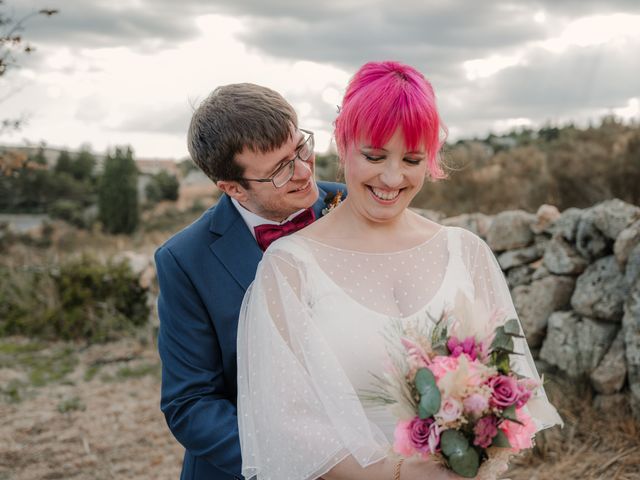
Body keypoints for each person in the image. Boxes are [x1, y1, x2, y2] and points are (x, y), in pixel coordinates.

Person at [236, 61, 563, 480]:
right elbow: (288, 424)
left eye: (411, 159)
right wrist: (400, 474)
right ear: (343, 142)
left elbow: (510, 389)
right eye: (374, 156)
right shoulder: (290, 267)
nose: (392, 178)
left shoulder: (465, 252)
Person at [155, 83, 345, 480]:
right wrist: (296, 463)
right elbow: (191, 404)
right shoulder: (184, 260)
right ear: (232, 188)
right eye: (279, 170)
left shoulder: (349, 208)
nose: (305, 171)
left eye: (300, 149)